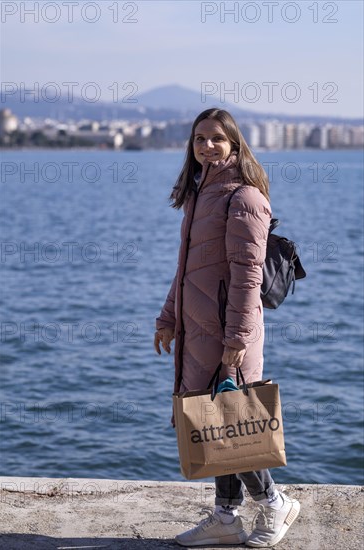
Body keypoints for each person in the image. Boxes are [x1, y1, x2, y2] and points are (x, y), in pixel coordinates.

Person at [154, 108, 300, 547]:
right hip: (199, 329)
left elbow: (247, 277)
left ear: (235, 144)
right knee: (211, 419)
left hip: (227, 331)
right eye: (199, 138)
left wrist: (236, 341)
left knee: (235, 420)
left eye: (217, 138)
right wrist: (168, 318)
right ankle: (226, 517)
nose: (206, 146)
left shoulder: (244, 198)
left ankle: (275, 504)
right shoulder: (199, 194)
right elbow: (186, 271)